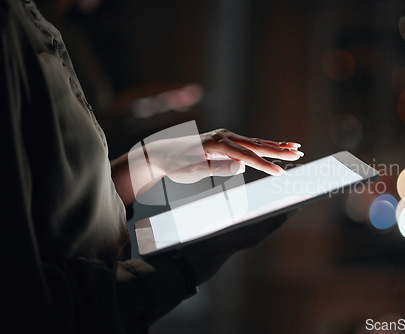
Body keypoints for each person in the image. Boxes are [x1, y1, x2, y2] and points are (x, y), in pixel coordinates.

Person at [0, 1, 303, 333]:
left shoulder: (31, 22)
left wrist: (152, 160)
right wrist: (184, 266)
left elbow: (58, 200)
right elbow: (26, 306)